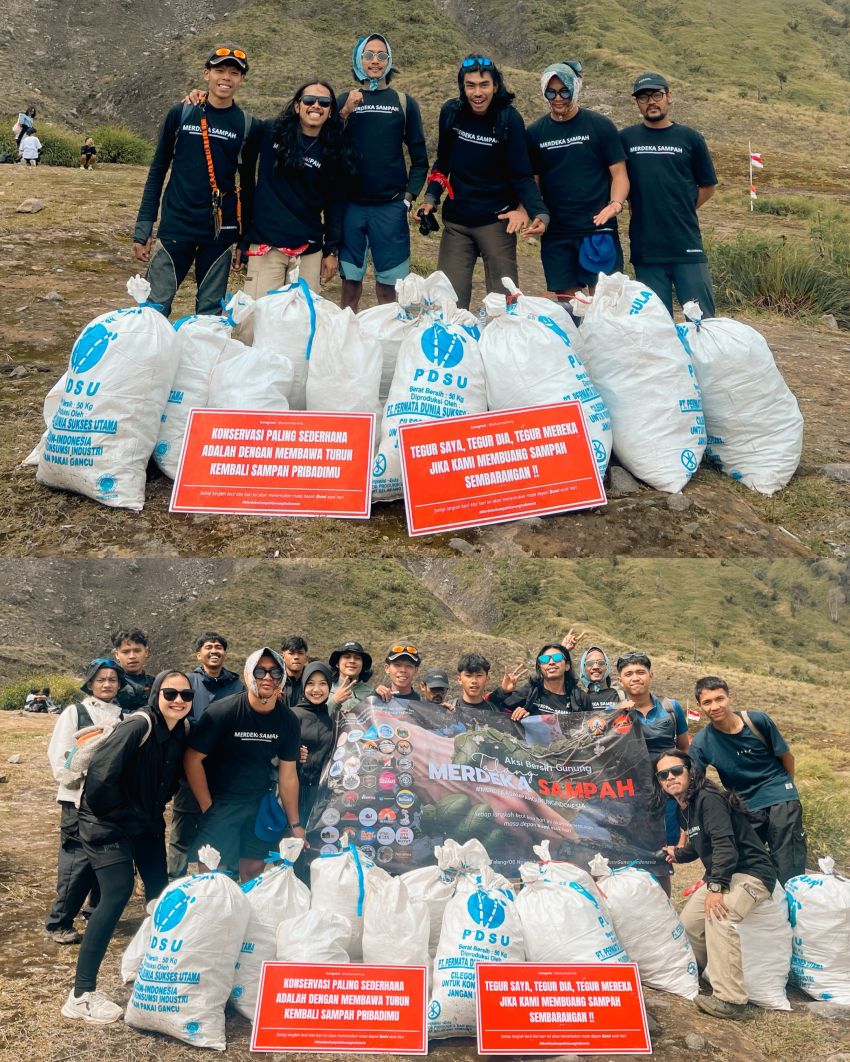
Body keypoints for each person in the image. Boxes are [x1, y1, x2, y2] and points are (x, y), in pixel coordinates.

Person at [61, 669, 193, 1024]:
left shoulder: (180, 730)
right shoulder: (139, 726)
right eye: (170, 694)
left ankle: (152, 968)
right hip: (105, 821)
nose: (178, 700)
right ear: (156, 696)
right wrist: (126, 814)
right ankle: (81, 994)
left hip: (144, 822)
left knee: (160, 895)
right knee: (117, 892)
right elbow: (102, 778)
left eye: (186, 695)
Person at [133, 45, 257, 317]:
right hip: (176, 225)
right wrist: (144, 226)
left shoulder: (248, 126)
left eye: (234, 73)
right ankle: (151, 358)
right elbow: (158, 170)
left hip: (220, 233)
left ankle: (203, 359)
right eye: (219, 70)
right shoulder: (181, 113)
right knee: (155, 306)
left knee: (210, 312)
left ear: (241, 80)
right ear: (206, 74)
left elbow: (248, 187)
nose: (226, 77)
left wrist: (244, 240)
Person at [418, 56, 548, 309]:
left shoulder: (509, 119)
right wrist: (431, 199)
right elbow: (442, 165)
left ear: (496, 86)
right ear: (462, 87)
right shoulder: (451, 112)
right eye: (470, 85)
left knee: (504, 303)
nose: (477, 92)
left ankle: (500, 347)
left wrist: (539, 212)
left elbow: (522, 174)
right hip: (457, 222)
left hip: (496, 222)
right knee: (448, 303)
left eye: (484, 85)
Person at [654, 749, 775, 1020]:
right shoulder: (684, 807)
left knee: (719, 915)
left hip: (750, 873)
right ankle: (693, 975)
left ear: (690, 771)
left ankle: (731, 1000)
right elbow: (700, 846)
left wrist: (716, 887)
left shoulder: (708, 798)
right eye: (663, 775)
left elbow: (724, 846)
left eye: (676, 771)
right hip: (725, 873)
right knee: (688, 924)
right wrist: (679, 853)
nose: (670, 777)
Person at [184, 647, 303, 882]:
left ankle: (247, 916)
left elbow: (288, 775)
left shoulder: (288, 720)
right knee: (214, 874)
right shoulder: (222, 712)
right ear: (249, 674)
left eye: (274, 673)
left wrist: (295, 823)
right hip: (221, 802)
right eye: (260, 671)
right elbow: (192, 759)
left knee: (253, 871)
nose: (268, 677)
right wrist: (208, 806)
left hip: (259, 803)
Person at [232, 79, 351, 302]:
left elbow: (336, 205)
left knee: (302, 322)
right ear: (297, 106)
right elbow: (235, 122)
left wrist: (332, 250)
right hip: (267, 247)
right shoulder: (270, 132)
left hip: (309, 250)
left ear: (331, 110)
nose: (316, 105)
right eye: (309, 100)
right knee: (255, 320)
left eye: (324, 102)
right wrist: (205, 99)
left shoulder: (334, 150)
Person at [338, 33, 428, 311]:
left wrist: (408, 198)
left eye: (381, 55)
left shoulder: (403, 102)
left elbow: (420, 158)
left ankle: (387, 344)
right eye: (369, 55)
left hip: (390, 207)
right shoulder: (344, 99)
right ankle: (346, 342)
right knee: (350, 285)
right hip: (351, 206)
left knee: (389, 288)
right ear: (358, 59)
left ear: (389, 60)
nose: (375, 61)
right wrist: (343, 114)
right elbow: (327, 148)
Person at [526, 61, 628, 301]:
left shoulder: (600, 126)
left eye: (564, 91)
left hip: (597, 229)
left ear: (576, 89)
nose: (558, 97)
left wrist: (615, 203)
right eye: (551, 92)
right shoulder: (535, 133)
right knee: (569, 307)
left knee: (605, 303)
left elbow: (620, 174)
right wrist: (532, 213)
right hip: (557, 233)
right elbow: (532, 182)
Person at [690, 676, 807, 884]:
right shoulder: (702, 742)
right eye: (707, 702)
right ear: (700, 706)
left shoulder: (757, 721)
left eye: (720, 699)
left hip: (779, 795)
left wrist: (787, 791)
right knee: (748, 860)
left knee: (788, 861)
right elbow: (694, 783)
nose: (715, 706)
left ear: (730, 698)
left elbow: (786, 757)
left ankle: (794, 908)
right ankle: (764, 908)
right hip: (744, 804)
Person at [620, 72, 718, 317]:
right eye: (643, 97)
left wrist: (681, 207)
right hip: (646, 248)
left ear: (668, 97)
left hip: (686, 245)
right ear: (636, 103)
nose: (651, 101)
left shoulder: (691, 138)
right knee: (655, 324)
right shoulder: (625, 139)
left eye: (656, 95)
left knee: (702, 321)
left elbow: (708, 185)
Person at [45, 659, 125, 945]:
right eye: (100, 679)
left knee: (105, 859)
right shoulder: (74, 713)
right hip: (77, 800)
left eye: (112, 680)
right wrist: (79, 778)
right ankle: (59, 922)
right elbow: (60, 755)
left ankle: (96, 912)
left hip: (109, 804)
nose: (106, 684)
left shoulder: (123, 715)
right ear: (90, 683)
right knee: (76, 862)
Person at [167, 631, 244, 880]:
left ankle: (223, 882)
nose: (214, 651)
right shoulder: (187, 683)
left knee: (224, 826)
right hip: (189, 770)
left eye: (219, 647)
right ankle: (173, 881)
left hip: (225, 774)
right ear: (198, 654)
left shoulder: (237, 686)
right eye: (208, 647)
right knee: (183, 827)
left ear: (225, 653)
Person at [616, 651, 690, 854]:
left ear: (651, 676)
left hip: (666, 791)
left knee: (665, 853)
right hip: (633, 793)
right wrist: (618, 714)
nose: (635, 677)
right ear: (620, 680)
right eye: (628, 673)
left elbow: (684, 748)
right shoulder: (615, 711)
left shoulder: (671, 707)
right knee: (633, 851)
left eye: (641, 672)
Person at [489, 641, 592, 720]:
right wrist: (503, 691)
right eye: (545, 659)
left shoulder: (581, 699)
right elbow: (490, 706)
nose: (551, 662)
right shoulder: (530, 692)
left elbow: (590, 730)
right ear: (540, 668)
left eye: (557, 658)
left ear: (567, 666)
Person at [291, 661, 335, 826]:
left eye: (323, 684)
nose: (316, 690)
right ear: (303, 686)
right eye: (310, 683)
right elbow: (272, 754)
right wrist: (292, 754)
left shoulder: (334, 719)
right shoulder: (291, 715)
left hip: (322, 794)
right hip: (293, 792)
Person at [110, 628, 155, 712]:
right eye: (125, 652)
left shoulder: (156, 683)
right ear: (117, 654)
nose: (132, 656)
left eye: (137, 651)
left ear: (146, 652)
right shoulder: (109, 685)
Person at [327, 640, 375, 715]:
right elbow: (316, 720)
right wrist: (334, 701)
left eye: (357, 658)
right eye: (347, 657)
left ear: (363, 665)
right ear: (337, 663)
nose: (352, 661)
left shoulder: (372, 693)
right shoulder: (325, 689)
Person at [280, 635, 309, 708]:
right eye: (291, 653)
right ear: (282, 656)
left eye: (300, 653)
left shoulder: (311, 680)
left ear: (306, 657)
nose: (296, 657)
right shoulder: (275, 681)